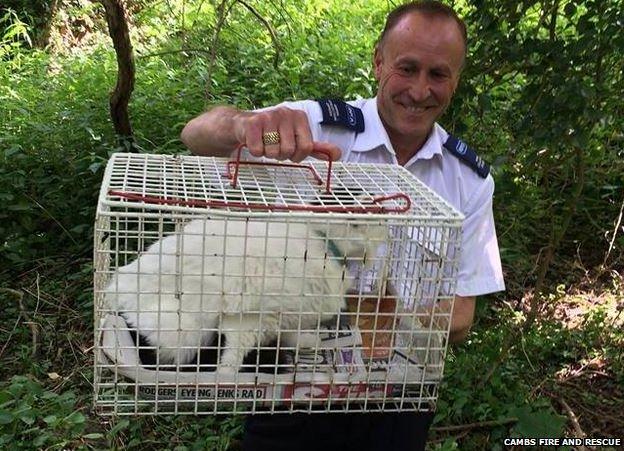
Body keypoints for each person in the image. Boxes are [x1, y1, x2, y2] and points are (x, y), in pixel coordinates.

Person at [180, 1, 505, 450]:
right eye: (407, 68)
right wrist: (244, 126)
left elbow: (462, 315)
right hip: (293, 386)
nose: (419, 89)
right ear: (378, 62)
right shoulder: (317, 131)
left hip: (399, 398)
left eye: (438, 74)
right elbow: (196, 135)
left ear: (456, 80)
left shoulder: (467, 179)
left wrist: (383, 322)